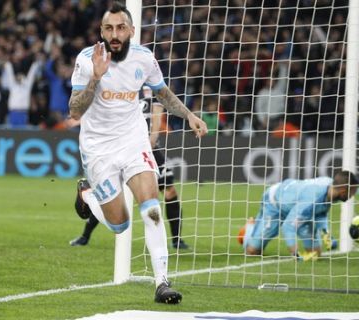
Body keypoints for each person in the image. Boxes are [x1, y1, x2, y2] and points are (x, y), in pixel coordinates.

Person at [69, 2, 208, 304]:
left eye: (120, 28)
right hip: (98, 148)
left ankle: (162, 283)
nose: (114, 34)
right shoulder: (85, 60)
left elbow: (163, 93)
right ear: (101, 31)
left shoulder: (144, 58)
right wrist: (95, 77)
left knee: (152, 208)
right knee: (120, 224)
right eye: (109, 28)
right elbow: (75, 111)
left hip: (134, 141)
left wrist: (188, 116)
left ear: (131, 30)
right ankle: (88, 195)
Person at [70, 86, 189, 250]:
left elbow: (157, 109)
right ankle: (85, 235)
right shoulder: (120, 82)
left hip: (147, 148)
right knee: (110, 194)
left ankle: (177, 240)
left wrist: (153, 136)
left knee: (169, 190)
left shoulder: (147, 78)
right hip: (119, 148)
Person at [237, 171, 358, 261]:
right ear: (343, 190)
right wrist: (295, 254)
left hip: (299, 209)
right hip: (275, 203)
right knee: (252, 251)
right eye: (352, 191)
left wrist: (326, 233)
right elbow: (288, 227)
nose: (353, 195)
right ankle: (251, 227)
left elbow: (321, 212)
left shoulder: (331, 188)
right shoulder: (311, 199)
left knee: (315, 253)